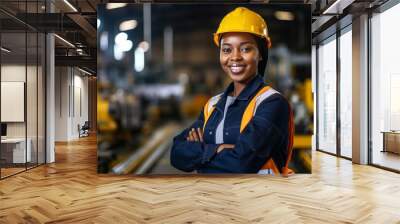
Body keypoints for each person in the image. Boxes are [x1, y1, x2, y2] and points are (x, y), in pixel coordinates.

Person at [170, 7, 293, 174]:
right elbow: (177, 153)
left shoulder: (272, 103)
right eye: (227, 49)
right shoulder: (212, 105)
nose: (234, 57)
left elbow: (241, 163)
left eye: (245, 49)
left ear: (261, 53)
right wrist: (218, 149)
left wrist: (202, 151)